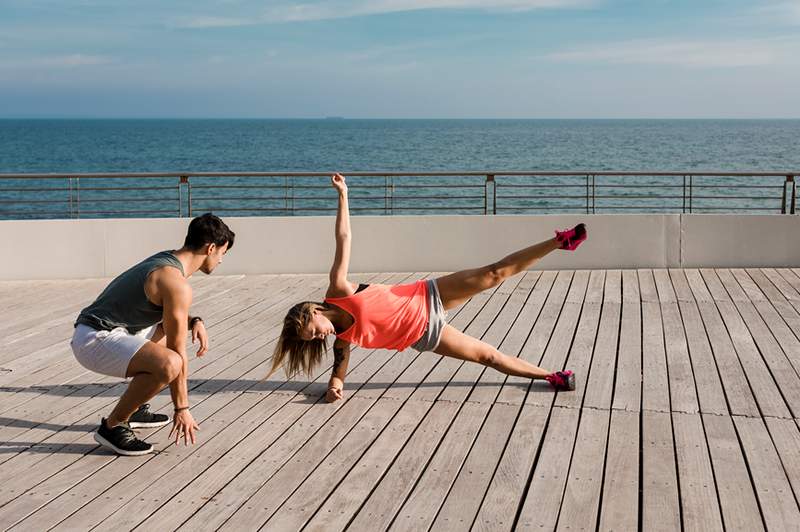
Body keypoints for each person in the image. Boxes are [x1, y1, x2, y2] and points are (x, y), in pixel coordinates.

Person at [270, 174, 585, 403]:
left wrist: (343, 194)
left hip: (427, 294)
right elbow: (339, 372)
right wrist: (334, 386)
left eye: (312, 330)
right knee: (488, 356)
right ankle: (550, 376)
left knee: (493, 274)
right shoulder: (343, 341)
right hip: (425, 334)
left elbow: (343, 239)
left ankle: (560, 242)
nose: (318, 336)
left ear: (313, 311)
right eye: (312, 339)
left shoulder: (339, 291)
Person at [70, 213, 235, 455]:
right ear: (211, 248)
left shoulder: (167, 262)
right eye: (223, 253)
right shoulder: (176, 283)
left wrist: (194, 321)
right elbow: (178, 352)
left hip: (103, 330)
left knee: (165, 337)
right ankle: (113, 425)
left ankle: (134, 407)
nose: (221, 260)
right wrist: (182, 408)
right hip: (94, 340)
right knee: (170, 363)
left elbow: (168, 314)